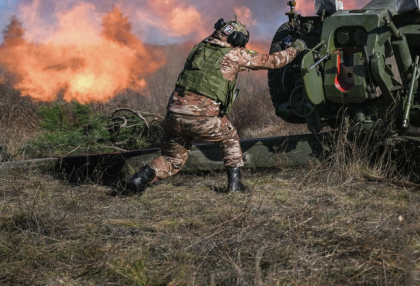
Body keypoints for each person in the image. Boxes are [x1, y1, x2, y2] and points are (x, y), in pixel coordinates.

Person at [125, 18, 306, 194]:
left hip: (174, 115)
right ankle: (235, 186)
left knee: (172, 159)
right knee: (230, 137)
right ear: (237, 39)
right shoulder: (234, 55)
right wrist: (296, 48)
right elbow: (274, 61)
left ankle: (141, 178)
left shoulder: (199, 48)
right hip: (202, 118)